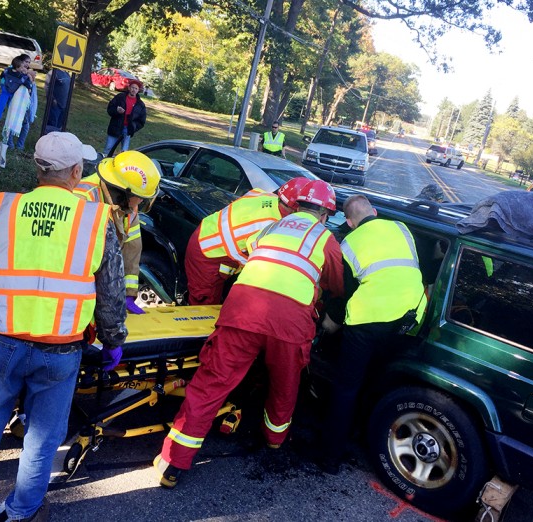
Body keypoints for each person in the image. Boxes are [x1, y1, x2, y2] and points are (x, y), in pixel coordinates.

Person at [0, 132, 128, 521]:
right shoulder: (95, 221)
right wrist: (113, 340)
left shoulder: (2, 211)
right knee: (42, 438)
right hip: (61, 349)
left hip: (2, 342)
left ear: (38, 169)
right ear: (77, 172)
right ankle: (23, 510)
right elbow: (110, 292)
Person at [154, 179, 344, 488]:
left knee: (210, 383)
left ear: (296, 206)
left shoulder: (270, 228)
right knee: (285, 385)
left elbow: (251, 260)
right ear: (324, 214)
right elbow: (336, 284)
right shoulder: (325, 239)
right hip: (289, 323)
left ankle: (173, 463)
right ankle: (274, 441)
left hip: (242, 311)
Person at [316, 194, 427, 474]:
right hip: (410, 317)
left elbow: (344, 292)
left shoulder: (349, 243)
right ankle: (365, 432)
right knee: (377, 378)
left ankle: (329, 457)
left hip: (368, 322)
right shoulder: (401, 228)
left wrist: (331, 322)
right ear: (374, 212)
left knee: (347, 387)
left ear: (350, 223)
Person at [184, 177, 310, 305]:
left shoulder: (265, 195)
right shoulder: (272, 227)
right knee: (204, 306)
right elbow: (260, 266)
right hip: (208, 252)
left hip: (208, 231)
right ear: (298, 209)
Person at [74, 151, 161, 314]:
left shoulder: (129, 208)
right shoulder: (82, 199)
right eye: (140, 196)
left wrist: (128, 294)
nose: (142, 201)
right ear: (124, 191)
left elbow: (132, 251)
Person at [0, 55, 37, 151]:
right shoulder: (21, 75)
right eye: (26, 62)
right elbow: (29, 85)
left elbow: (2, 77)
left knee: (11, 121)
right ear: (19, 63)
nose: (27, 64)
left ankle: (12, 144)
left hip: (15, 101)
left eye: (29, 62)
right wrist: (29, 77)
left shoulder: (9, 71)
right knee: (24, 124)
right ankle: (18, 145)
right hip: (19, 103)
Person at [102, 79, 146, 156]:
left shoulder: (140, 104)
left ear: (138, 90)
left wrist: (133, 127)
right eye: (132, 87)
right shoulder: (120, 97)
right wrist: (117, 111)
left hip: (128, 129)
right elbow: (110, 109)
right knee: (108, 149)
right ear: (129, 88)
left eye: (136, 88)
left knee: (124, 152)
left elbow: (142, 121)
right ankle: (104, 162)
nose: (133, 90)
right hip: (115, 126)